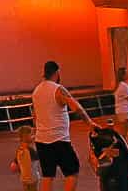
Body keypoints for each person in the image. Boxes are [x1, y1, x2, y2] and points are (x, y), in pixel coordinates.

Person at [31, 60, 92, 191]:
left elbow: (34, 116)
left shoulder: (36, 91)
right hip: (59, 139)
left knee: (47, 176)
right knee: (72, 172)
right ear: (57, 72)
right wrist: (90, 123)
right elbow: (76, 108)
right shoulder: (58, 89)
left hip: (41, 140)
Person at [88, 122, 128, 191]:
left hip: (107, 173)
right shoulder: (117, 139)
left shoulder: (97, 145)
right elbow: (127, 155)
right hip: (119, 173)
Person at [10, 124, 39, 191]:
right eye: (31, 135)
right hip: (33, 178)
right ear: (26, 137)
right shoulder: (30, 150)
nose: (33, 137)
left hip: (24, 178)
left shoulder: (19, 149)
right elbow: (38, 158)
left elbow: (15, 164)